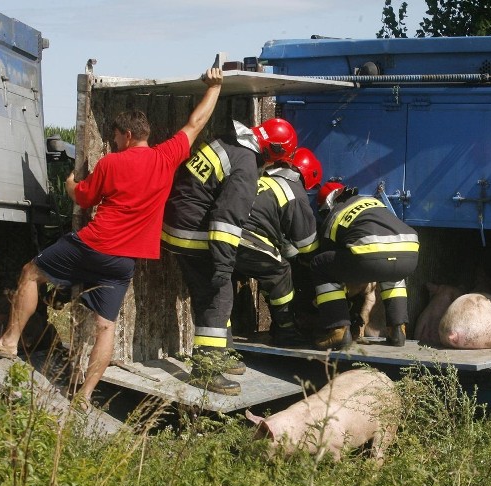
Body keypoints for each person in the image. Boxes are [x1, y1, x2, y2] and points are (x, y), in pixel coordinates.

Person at [0, 66, 226, 407]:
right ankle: (86, 395)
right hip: (123, 262)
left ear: (125, 134)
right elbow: (195, 123)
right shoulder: (166, 158)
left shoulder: (111, 163)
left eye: (116, 136)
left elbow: (82, 198)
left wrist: (70, 184)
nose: (113, 141)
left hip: (91, 245)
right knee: (105, 327)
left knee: (31, 273)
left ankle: (7, 343)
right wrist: (215, 86)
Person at [161, 118, 298, 395]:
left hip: (176, 226)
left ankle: (221, 354)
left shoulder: (229, 142)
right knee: (218, 295)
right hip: (192, 233)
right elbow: (227, 219)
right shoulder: (246, 165)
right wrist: (224, 266)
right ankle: (206, 370)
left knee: (210, 294)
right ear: (272, 152)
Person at [310, 181, 419, 350]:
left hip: (370, 255)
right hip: (410, 252)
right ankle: (397, 330)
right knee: (392, 274)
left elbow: (328, 253)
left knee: (321, 265)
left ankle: (338, 330)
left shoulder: (336, 213)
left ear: (328, 203)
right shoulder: (374, 203)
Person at [234, 147, 321, 347]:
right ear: (306, 176)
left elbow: (280, 236)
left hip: (225, 233)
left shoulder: (263, 180)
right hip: (247, 236)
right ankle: (286, 331)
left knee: (268, 271)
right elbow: (307, 245)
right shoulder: (295, 192)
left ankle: (277, 325)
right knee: (280, 272)